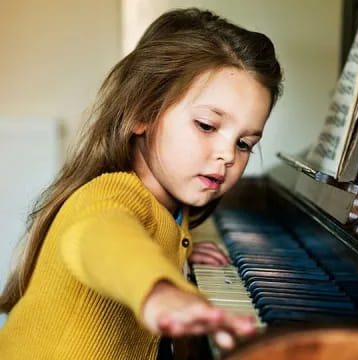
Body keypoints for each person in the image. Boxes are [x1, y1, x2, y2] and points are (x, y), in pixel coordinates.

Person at [0, 7, 282, 360]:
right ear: (142, 114)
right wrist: (159, 289)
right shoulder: (108, 195)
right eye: (207, 126)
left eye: (245, 144)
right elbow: (103, 237)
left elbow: (141, 235)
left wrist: (174, 253)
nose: (227, 154)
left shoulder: (166, 207)